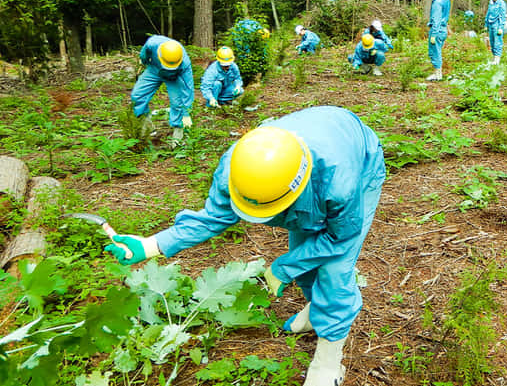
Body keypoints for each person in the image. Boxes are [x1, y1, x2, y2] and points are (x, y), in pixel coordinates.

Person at [103, 106, 386, 386]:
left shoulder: (340, 181)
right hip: (308, 170)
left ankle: (328, 361)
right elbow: (213, 217)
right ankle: (316, 310)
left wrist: (283, 268)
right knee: (305, 259)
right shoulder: (237, 168)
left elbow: (339, 238)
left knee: (334, 272)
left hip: (360, 164)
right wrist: (150, 244)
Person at [131, 35, 193, 144]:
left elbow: (187, 90)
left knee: (177, 103)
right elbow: (144, 53)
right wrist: (144, 60)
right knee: (137, 95)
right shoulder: (153, 43)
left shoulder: (185, 64)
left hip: (174, 76)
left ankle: (177, 137)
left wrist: (186, 113)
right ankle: (146, 127)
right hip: (154, 69)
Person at [423, 0, 450, 81]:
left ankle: (437, 74)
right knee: (438, 51)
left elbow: (436, 19)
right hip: (443, 29)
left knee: (435, 52)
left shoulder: (437, 3)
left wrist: (433, 34)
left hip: (437, 30)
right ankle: (438, 73)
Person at [484, 0, 507, 66]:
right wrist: (486, 24)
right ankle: (494, 58)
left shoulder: (502, 4)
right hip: (490, 24)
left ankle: (497, 59)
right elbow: (488, 13)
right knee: (492, 42)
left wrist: (501, 27)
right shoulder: (491, 3)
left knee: (497, 42)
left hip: (497, 25)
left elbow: (502, 16)